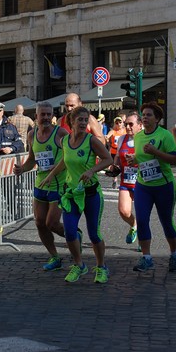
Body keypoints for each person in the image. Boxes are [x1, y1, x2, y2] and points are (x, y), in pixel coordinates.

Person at [40, 106, 113, 283]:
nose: (82, 123)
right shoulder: (65, 141)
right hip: (71, 193)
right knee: (71, 232)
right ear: (71, 122)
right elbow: (64, 161)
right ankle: (79, 265)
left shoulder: (91, 141)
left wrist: (92, 170)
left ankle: (101, 267)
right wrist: (51, 176)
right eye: (79, 120)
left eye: (85, 120)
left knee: (94, 234)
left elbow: (109, 159)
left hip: (91, 193)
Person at [13, 101, 68, 271]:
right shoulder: (31, 135)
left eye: (48, 115)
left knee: (51, 223)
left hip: (58, 183)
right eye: (42, 114)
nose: (45, 118)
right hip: (40, 183)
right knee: (39, 222)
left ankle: (72, 234)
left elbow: (70, 157)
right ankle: (54, 257)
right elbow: (32, 159)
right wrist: (22, 169)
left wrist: (57, 166)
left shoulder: (60, 133)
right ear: (35, 116)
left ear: (52, 116)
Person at [128, 102, 176, 273]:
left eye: (149, 115)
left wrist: (156, 152)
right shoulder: (138, 136)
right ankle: (146, 257)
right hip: (143, 185)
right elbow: (141, 157)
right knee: (142, 220)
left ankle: (174, 253)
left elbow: (175, 160)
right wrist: (133, 160)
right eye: (143, 114)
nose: (145, 117)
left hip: (164, 185)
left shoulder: (164, 135)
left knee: (166, 221)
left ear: (157, 119)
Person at [112, 112, 142, 248]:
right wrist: (114, 168)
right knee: (124, 211)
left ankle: (143, 240)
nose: (128, 127)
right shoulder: (122, 139)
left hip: (142, 182)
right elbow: (117, 157)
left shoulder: (144, 139)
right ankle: (134, 225)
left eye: (131, 124)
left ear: (140, 126)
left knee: (143, 213)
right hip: (126, 181)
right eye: (126, 124)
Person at [106, 116, 126, 189]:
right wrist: (107, 138)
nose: (118, 124)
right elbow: (108, 136)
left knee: (123, 166)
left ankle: (123, 180)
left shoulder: (125, 131)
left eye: (120, 122)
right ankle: (115, 180)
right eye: (117, 123)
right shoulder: (113, 131)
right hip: (114, 151)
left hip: (122, 151)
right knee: (115, 166)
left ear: (122, 123)